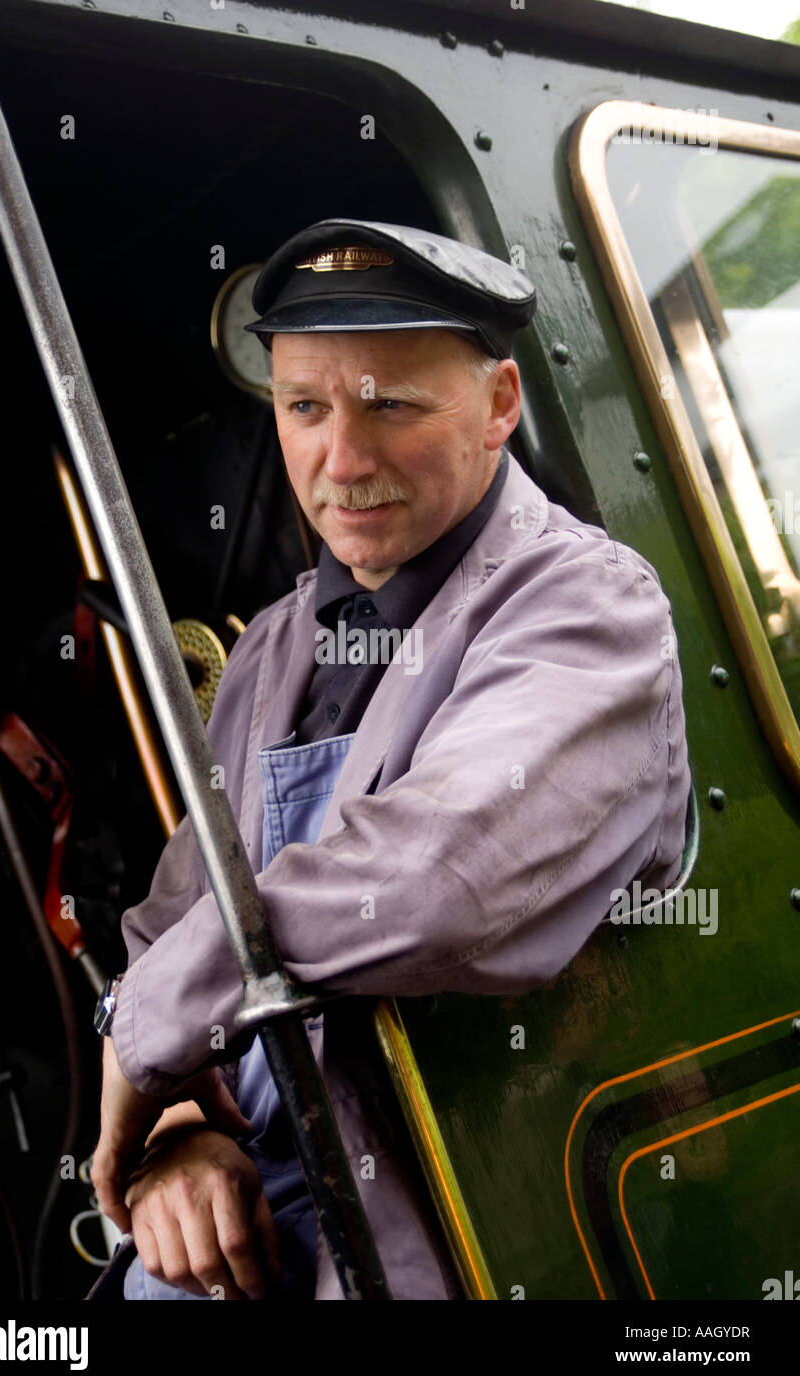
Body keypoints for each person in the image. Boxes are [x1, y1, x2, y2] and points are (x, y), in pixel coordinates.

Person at [88, 219, 690, 1301]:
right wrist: (176, 1125)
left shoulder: (584, 606)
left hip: (458, 1234)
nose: (341, 459)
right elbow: (170, 920)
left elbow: (432, 883)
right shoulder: (273, 643)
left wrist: (153, 1033)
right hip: (260, 1229)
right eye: (304, 408)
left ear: (499, 404)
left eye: (390, 404)